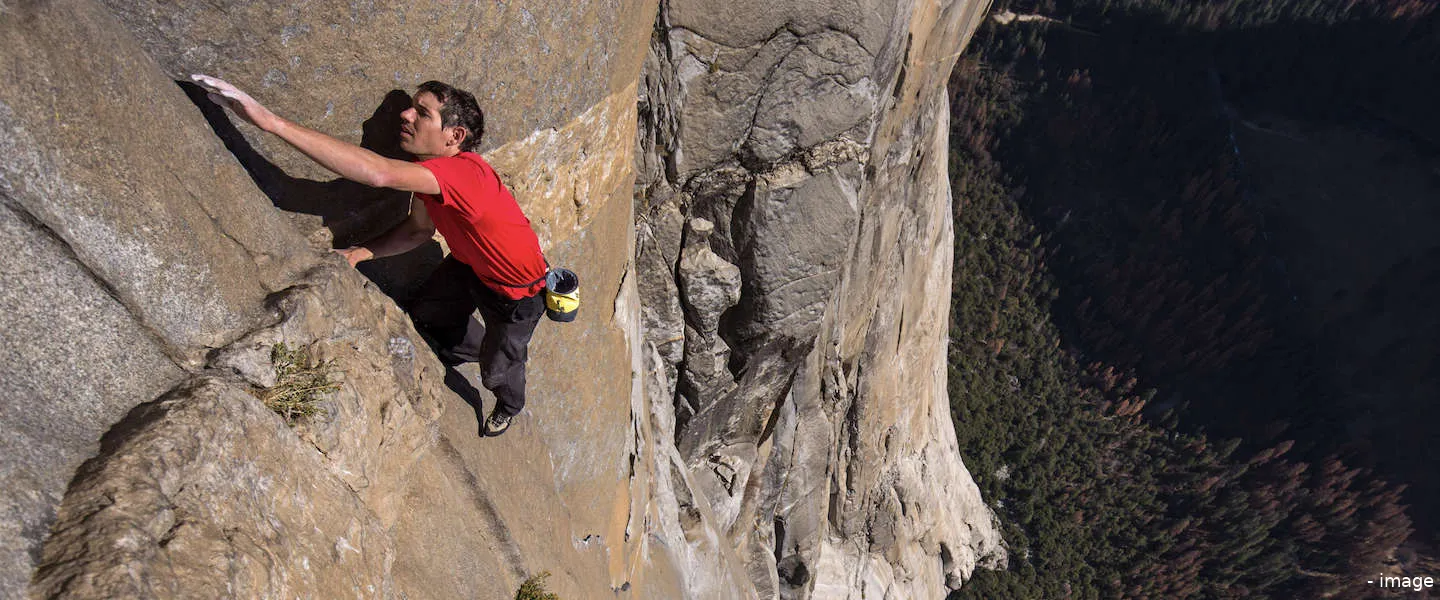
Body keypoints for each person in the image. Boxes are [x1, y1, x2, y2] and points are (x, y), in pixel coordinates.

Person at [192, 74, 547, 437]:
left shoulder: (464, 174)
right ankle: (479, 347)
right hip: (468, 263)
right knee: (429, 314)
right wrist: (359, 253)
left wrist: (269, 122)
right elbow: (419, 230)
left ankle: (508, 401)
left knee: (498, 369)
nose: (406, 115)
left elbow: (378, 174)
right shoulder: (430, 175)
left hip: (515, 291)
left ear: (454, 136)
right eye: (410, 106)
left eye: (422, 113)